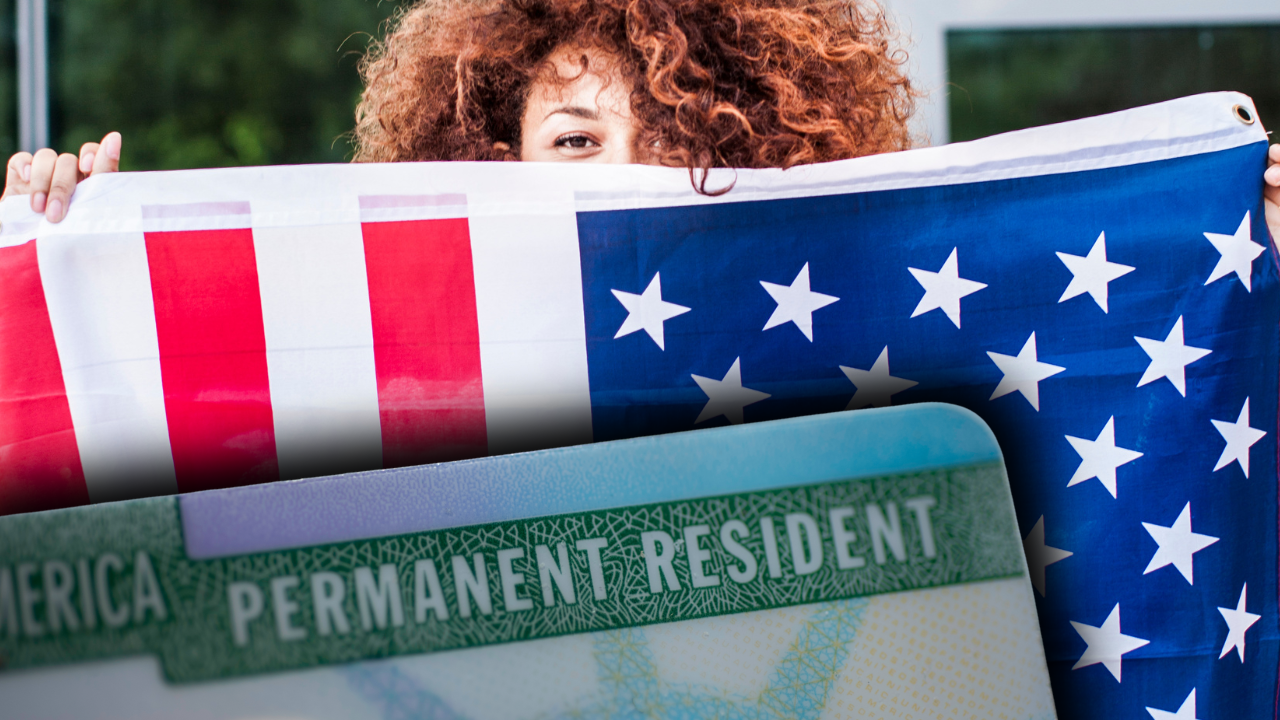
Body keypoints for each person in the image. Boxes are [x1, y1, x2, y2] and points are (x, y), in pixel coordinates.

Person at [1, 0, 1277, 243]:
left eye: (687, 142)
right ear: (484, 154)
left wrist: (1237, 258)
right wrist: (59, 254)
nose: (630, 174)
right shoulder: (397, 360)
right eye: (574, 139)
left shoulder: (867, 333)